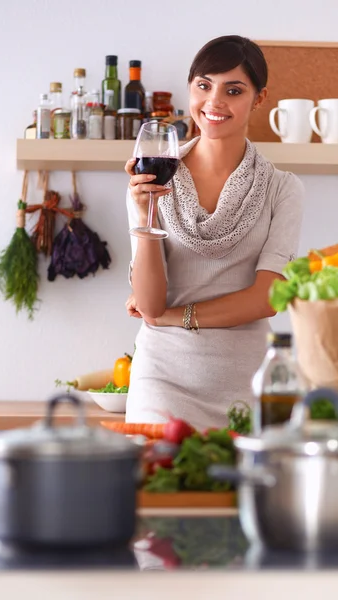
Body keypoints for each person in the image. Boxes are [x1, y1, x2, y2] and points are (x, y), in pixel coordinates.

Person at [123, 35, 304, 431]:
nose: (214, 102)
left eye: (233, 90)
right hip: (162, 380)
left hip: (248, 383)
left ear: (259, 98)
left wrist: (175, 317)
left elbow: (267, 298)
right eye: (203, 85)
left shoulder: (282, 188)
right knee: (161, 492)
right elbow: (151, 305)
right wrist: (144, 214)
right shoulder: (151, 180)